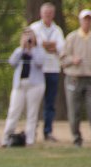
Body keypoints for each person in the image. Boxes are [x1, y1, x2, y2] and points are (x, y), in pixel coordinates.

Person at [60, 9, 91, 148]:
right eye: (85, 19)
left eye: (89, 19)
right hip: (74, 78)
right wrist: (72, 60)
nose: (87, 22)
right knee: (74, 112)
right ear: (80, 21)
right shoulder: (72, 38)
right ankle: (76, 140)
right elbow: (62, 59)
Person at [0, 29, 46, 146]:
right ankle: (6, 138)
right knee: (13, 111)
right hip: (19, 85)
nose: (28, 39)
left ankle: (30, 140)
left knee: (32, 113)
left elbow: (40, 62)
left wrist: (32, 50)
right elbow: (12, 62)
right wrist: (22, 48)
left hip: (35, 85)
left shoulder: (39, 50)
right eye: (26, 37)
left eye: (30, 37)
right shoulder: (19, 50)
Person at [29, 3, 65, 142]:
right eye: (45, 13)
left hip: (53, 70)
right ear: (41, 13)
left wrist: (47, 45)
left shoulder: (57, 30)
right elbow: (33, 45)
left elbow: (61, 48)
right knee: (35, 102)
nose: (48, 15)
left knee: (50, 103)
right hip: (38, 70)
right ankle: (32, 130)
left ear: (53, 14)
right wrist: (49, 45)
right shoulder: (34, 27)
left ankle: (48, 131)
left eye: (50, 13)